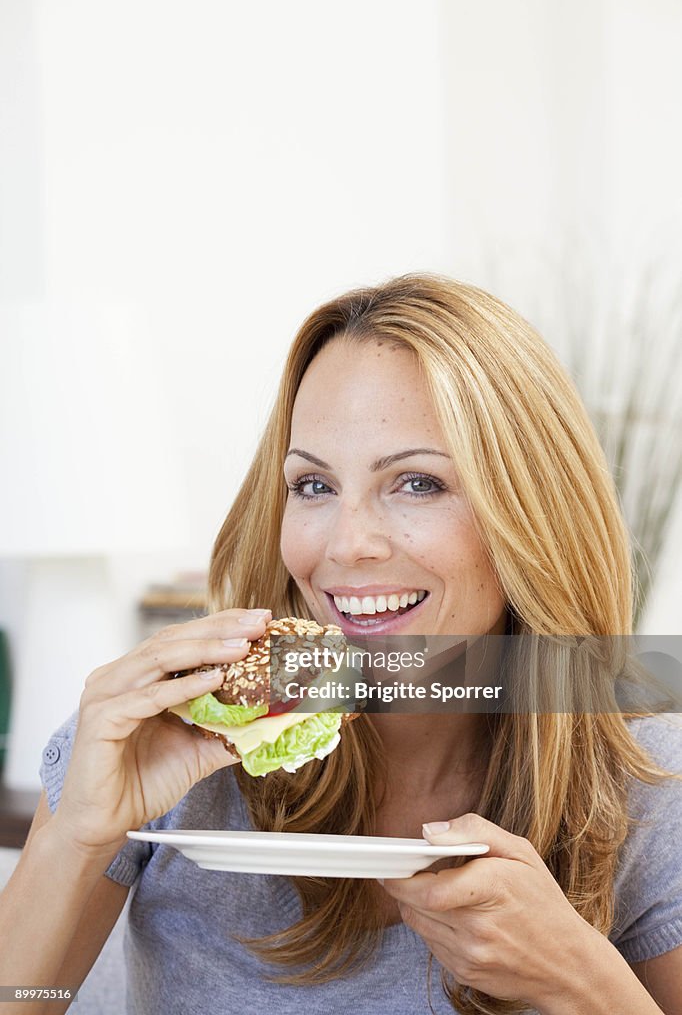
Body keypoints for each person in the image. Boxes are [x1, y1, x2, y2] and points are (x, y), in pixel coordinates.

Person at [1, 273, 681, 1015]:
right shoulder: (171, 740)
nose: (347, 545)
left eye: (417, 483)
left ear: (530, 511)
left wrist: (583, 984)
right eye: (314, 487)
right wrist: (75, 840)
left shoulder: (647, 778)